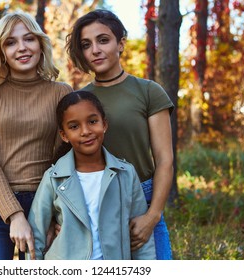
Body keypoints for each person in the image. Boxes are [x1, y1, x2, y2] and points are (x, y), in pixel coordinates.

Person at [65, 9, 174, 260]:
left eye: (103, 40)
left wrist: (152, 216)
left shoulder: (149, 91)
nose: (95, 50)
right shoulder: (80, 100)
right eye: (86, 44)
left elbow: (164, 160)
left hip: (143, 201)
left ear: (120, 43)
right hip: (94, 203)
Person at [0, 11, 72, 260]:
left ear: (40, 43)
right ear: (2, 51)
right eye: (11, 42)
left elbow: (64, 159)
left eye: (29, 39)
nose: (22, 48)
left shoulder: (61, 93)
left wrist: (54, 213)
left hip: (43, 202)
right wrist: (15, 215)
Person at [27, 91, 156, 260]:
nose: (85, 131)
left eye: (92, 122)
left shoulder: (126, 174)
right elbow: (36, 235)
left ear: (104, 124)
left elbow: (141, 238)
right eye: (74, 127)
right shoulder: (54, 178)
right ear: (64, 135)